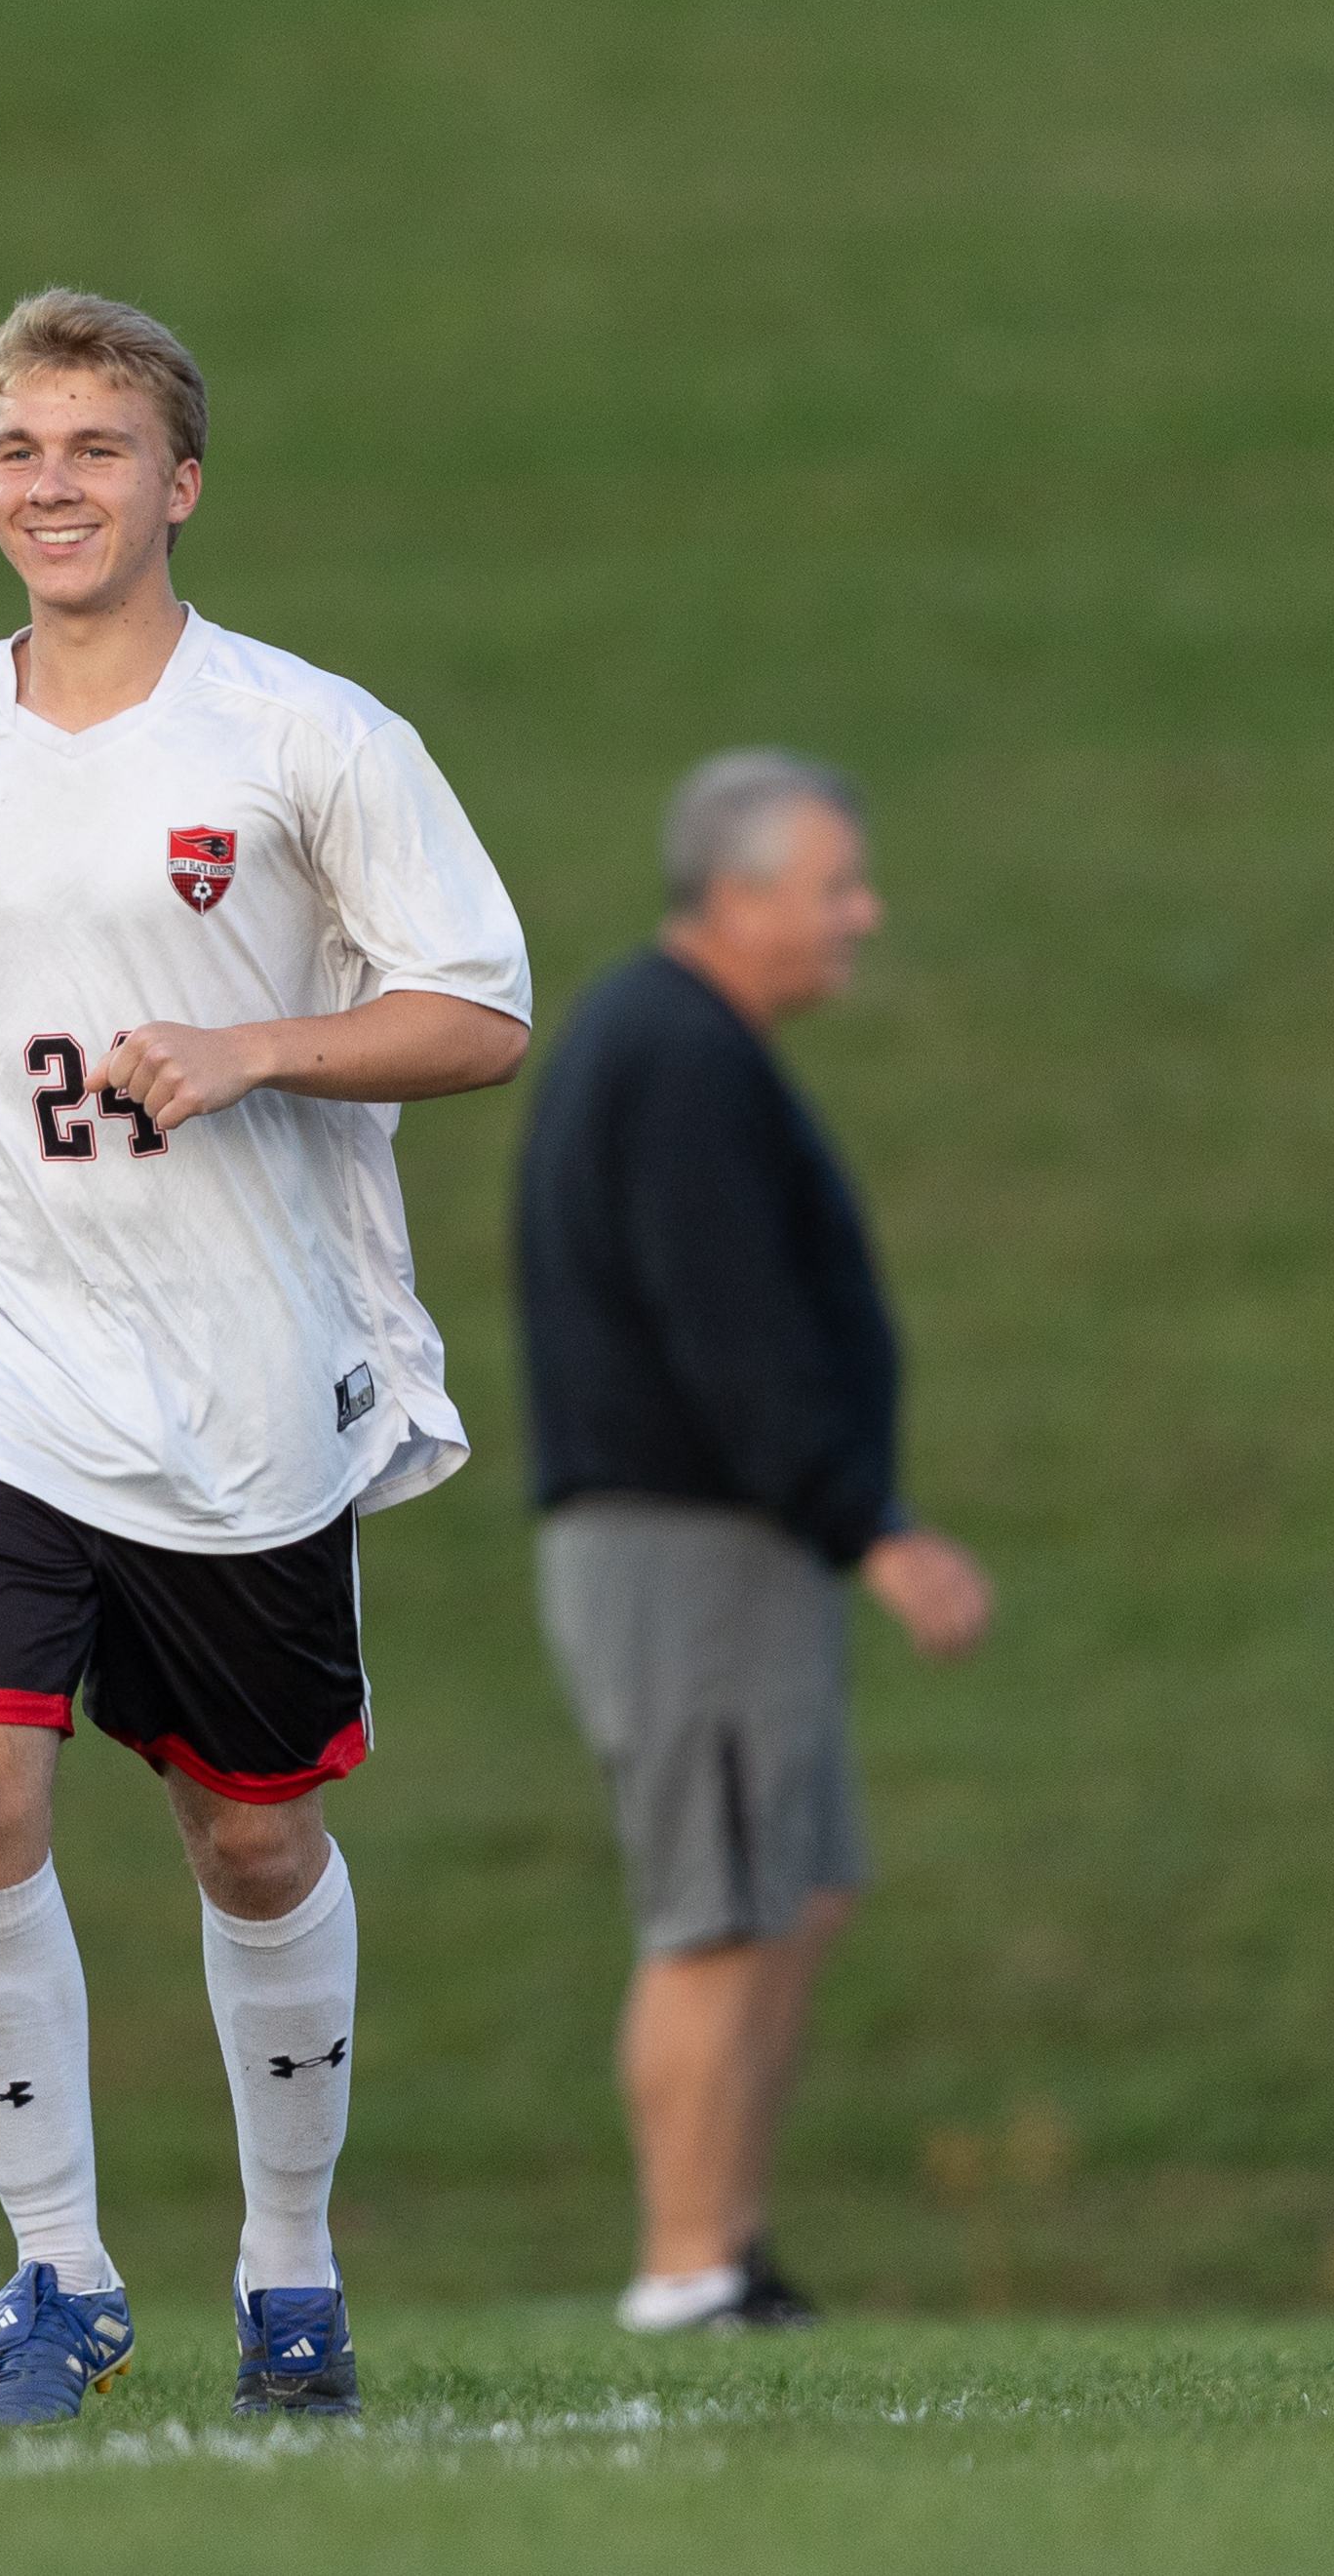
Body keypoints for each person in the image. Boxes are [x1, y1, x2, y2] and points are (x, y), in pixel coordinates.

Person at [0, 289, 530, 2429]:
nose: (51, 488)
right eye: (17, 452)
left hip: (247, 1391)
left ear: (176, 483)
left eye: (93, 451)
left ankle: (289, 2266)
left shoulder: (305, 740)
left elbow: (480, 1006)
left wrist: (263, 1044)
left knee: (248, 1841)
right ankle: (57, 2273)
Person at [513, 747, 992, 2335]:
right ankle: (679, 2268)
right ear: (735, 895)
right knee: (713, 1905)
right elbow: (727, 1326)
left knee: (793, 1889)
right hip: (686, 1541)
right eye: (832, 887)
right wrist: (867, 1523)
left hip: (735, 1541)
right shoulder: (674, 1053)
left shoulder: (692, 1046)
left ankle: (729, 2241)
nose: (859, 916)